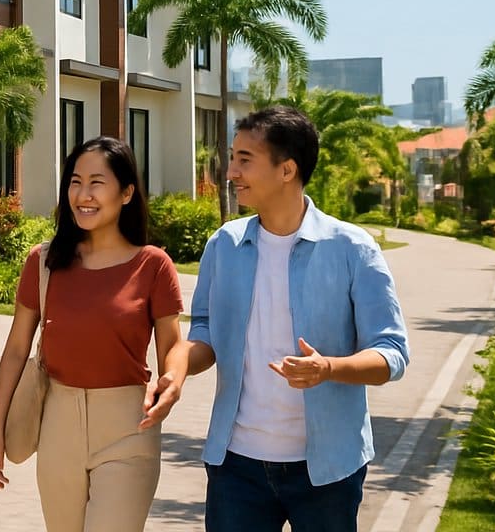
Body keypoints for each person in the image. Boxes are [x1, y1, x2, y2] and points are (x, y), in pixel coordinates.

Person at [165, 106, 410, 532]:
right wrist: (178, 366)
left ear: (287, 170)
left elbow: (392, 354)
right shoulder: (224, 245)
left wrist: (327, 368)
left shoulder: (353, 248)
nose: (230, 172)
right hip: (236, 466)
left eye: (245, 160)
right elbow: (203, 331)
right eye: (232, 157)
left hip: (327, 470)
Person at [0, 136, 187, 532]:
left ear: (126, 193)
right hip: (57, 424)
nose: (83, 194)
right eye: (75, 182)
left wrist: (172, 380)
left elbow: (173, 345)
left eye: (97, 182)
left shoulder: (153, 266)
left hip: (129, 427)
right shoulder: (43, 262)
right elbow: (15, 350)